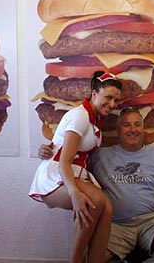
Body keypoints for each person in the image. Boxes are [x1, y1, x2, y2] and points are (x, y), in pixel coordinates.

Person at [40, 106, 154, 262]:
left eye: (137, 124)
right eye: (127, 125)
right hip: (115, 226)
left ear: (143, 128)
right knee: (91, 259)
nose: (133, 129)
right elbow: (70, 159)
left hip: (153, 222)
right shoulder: (98, 156)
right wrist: (48, 152)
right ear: (118, 130)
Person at [29, 71, 122, 263]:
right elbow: (64, 161)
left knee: (107, 208)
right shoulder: (80, 116)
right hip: (57, 174)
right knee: (94, 201)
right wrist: (75, 193)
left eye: (116, 100)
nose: (112, 104)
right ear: (94, 94)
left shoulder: (94, 119)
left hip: (76, 173)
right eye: (108, 97)